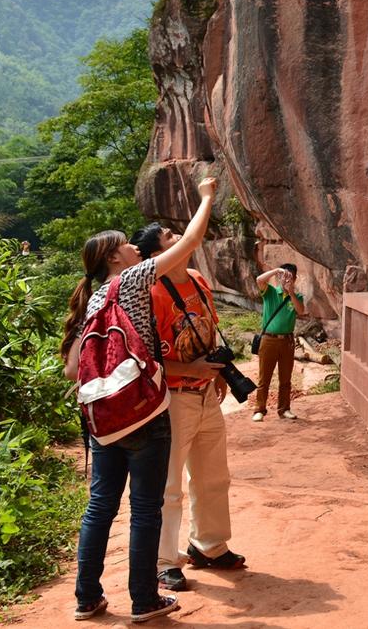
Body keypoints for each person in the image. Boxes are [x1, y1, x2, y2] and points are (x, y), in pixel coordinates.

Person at [61, 177, 217, 624]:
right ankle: (144, 600)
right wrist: (206, 197)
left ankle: (87, 598)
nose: (134, 247)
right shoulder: (130, 280)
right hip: (145, 414)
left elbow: (74, 371)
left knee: (100, 507)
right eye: (127, 245)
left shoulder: (91, 300)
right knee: (145, 509)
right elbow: (190, 241)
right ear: (115, 257)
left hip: (103, 418)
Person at [130, 222, 246, 594]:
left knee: (214, 474)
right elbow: (145, 357)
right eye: (168, 236)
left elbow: (207, 327)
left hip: (204, 392)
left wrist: (218, 372)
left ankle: (209, 545)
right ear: (154, 256)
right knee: (169, 483)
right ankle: (165, 561)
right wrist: (190, 370)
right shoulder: (149, 292)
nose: (178, 236)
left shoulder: (196, 278)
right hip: (172, 396)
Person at [252, 263, 306, 422]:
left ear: (295, 279)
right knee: (264, 378)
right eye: (284, 276)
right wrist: (277, 270)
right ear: (279, 277)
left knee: (285, 378)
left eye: (290, 276)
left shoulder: (297, 297)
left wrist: (291, 293)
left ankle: (284, 409)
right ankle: (259, 409)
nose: (286, 279)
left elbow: (300, 310)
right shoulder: (270, 292)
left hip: (287, 341)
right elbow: (259, 280)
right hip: (269, 340)